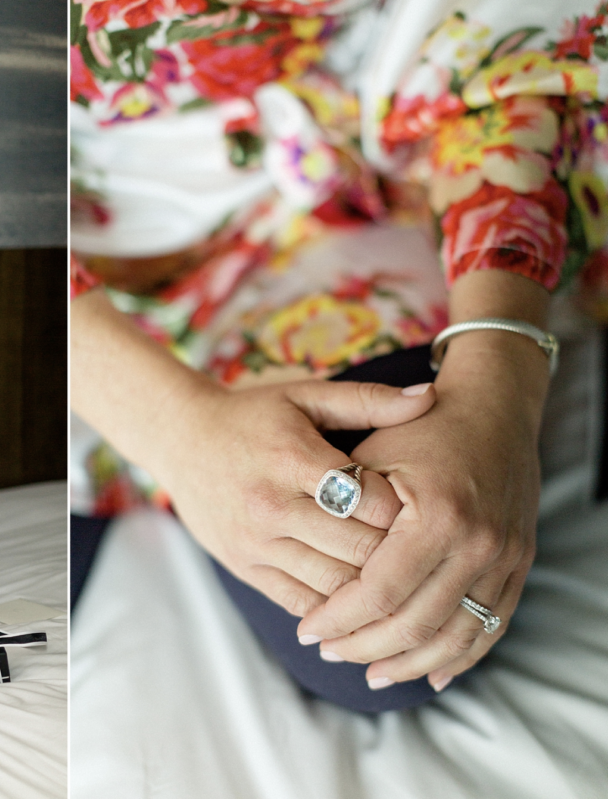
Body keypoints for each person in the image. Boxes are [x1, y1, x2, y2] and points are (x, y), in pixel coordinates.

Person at [70, 0, 608, 714]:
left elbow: (502, 37)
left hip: (383, 194)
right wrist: (174, 425)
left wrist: (499, 372)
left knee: (402, 590)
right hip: (84, 277)